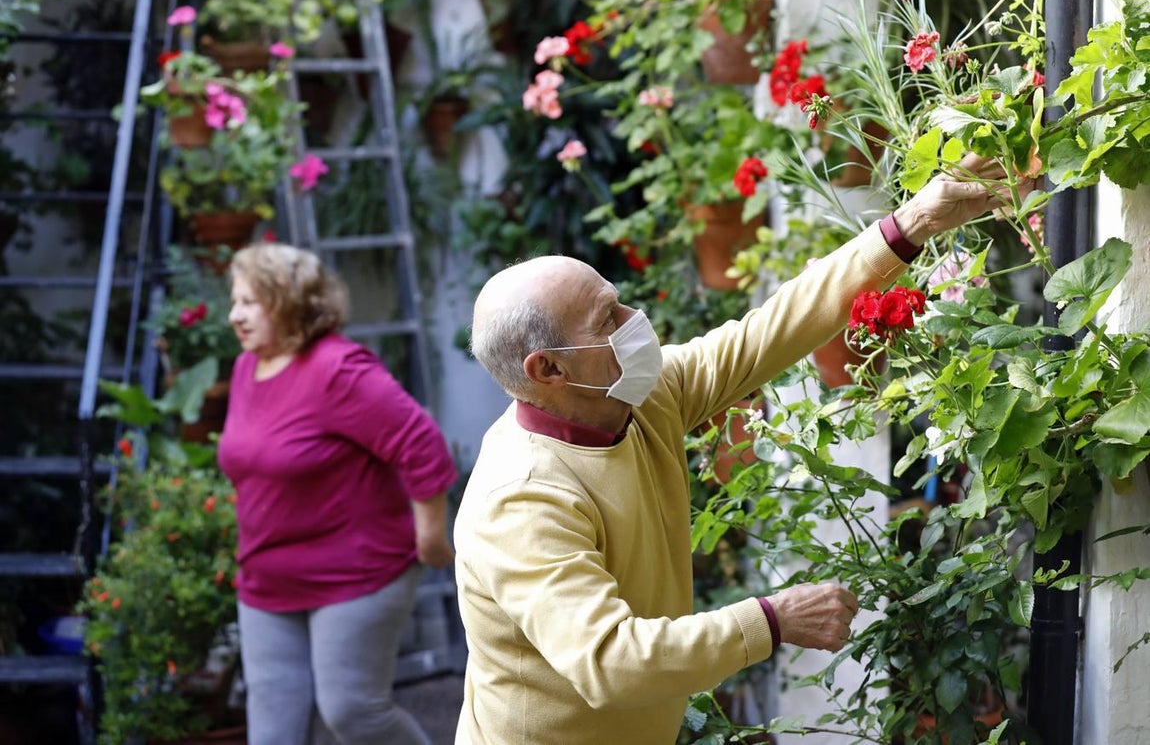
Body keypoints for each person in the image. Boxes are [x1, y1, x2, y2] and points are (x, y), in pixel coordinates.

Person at [453, 156, 1030, 745]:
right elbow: (611, 661)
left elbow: (768, 333)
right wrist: (772, 620)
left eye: (619, 302)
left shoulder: (639, 397)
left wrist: (910, 225)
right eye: (608, 319)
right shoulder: (522, 500)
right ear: (548, 369)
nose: (636, 320)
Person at [217, 242, 457, 745]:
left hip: (356, 573)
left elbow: (421, 444)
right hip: (267, 577)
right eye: (234, 302)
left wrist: (431, 537)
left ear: (289, 302)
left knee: (351, 711)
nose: (234, 315)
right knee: (273, 734)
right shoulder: (246, 368)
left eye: (249, 302)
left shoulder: (337, 369)